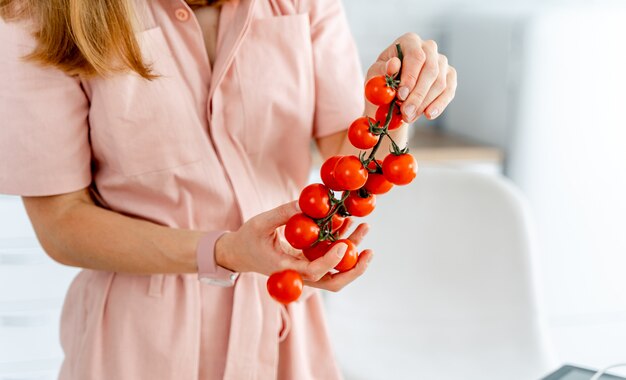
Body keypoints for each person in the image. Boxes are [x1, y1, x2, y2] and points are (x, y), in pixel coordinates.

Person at [0, 0, 457, 378]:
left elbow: (356, 157)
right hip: (137, 343)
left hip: (281, 327)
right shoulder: (45, 13)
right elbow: (61, 223)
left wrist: (399, 103)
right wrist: (226, 252)